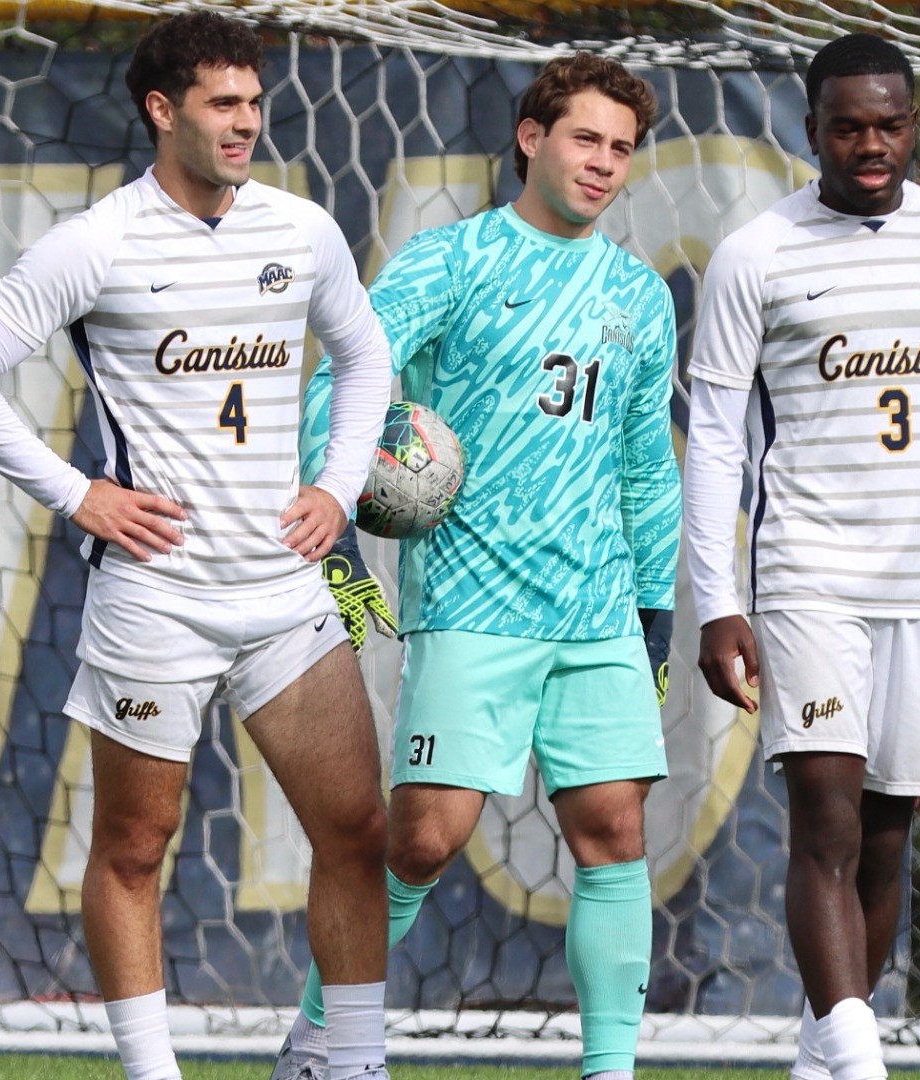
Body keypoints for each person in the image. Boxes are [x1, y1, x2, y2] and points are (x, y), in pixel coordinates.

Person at [0, 12, 397, 1080]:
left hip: (286, 595)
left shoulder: (302, 230)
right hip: (156, 599)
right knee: (137, 849)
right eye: (222, 105)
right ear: (161, 111)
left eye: (254, 102)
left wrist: (335, 484)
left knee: (360, 828)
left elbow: (367, 359)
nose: (246, 124)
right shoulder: (98, 242)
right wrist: (77, 491)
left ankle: (348, 1063)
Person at [269, 53, 678, 1080]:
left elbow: (644, 462)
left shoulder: (638, 294)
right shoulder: (452, 261)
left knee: (616, 832)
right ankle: (323, 1035)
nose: (602, 164)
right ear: (533, 138)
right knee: (422, 841)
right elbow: (348, 379)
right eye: (585, 138)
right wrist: (345, 494)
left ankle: (610, 1071)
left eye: (621, 149)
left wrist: (657, 601)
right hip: (474, 600)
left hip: (596, 611)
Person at [682, 33, 920, 1080]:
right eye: (848, 126)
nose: (871, 145)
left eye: (890, 124)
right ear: (812, 127)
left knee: (883, 839)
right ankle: (863, 1065)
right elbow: (719, 441)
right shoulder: (757, 253)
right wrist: (714, 600)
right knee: (824, 814)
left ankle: (823, 1060)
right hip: (807, 574)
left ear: (911, 122)